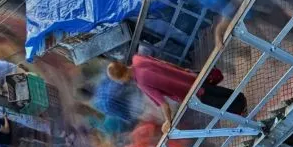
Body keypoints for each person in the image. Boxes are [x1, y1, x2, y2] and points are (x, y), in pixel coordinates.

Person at [106, 56, 247, 132]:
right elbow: (163, 62)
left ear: (122, 77)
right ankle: (240, 98)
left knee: (213, 101)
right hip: (185, 76)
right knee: (212, 89)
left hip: (185, 91)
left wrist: (168, 121)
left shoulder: (141, 82)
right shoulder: (138, 59)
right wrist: (182, 70)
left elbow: (164, 105)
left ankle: (240, 108)